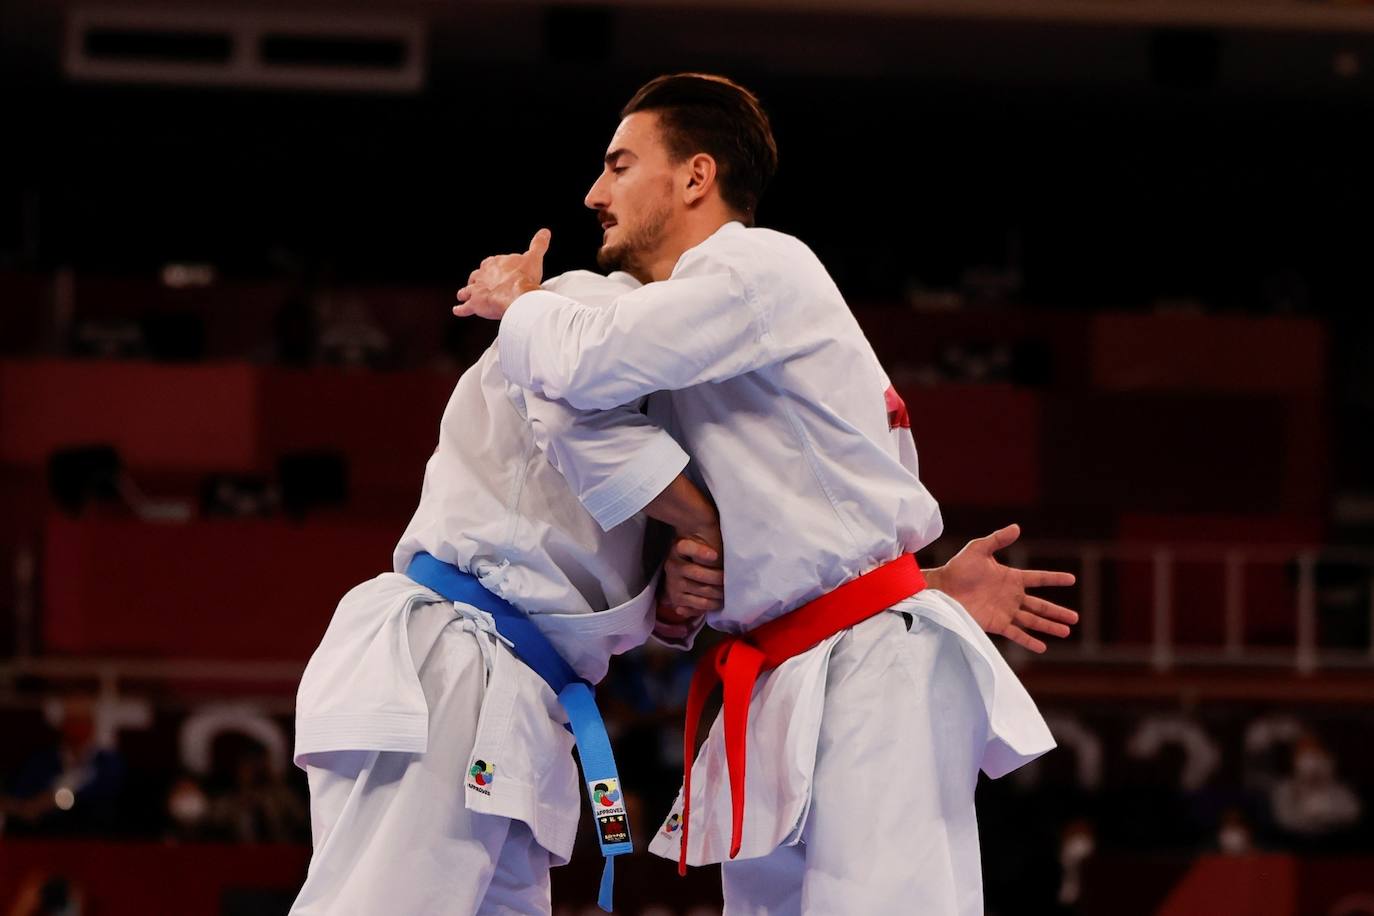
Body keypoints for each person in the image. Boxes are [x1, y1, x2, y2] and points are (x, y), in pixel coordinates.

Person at [457, 72, 1075, 914]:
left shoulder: (754, 265)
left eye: (620, 165)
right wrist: (686, 577)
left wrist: (522, 304)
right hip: (784, 667)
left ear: (696, 177)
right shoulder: (693, 333)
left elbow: (584, 361)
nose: (595, 193)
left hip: (867, 663)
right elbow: (795, 515)